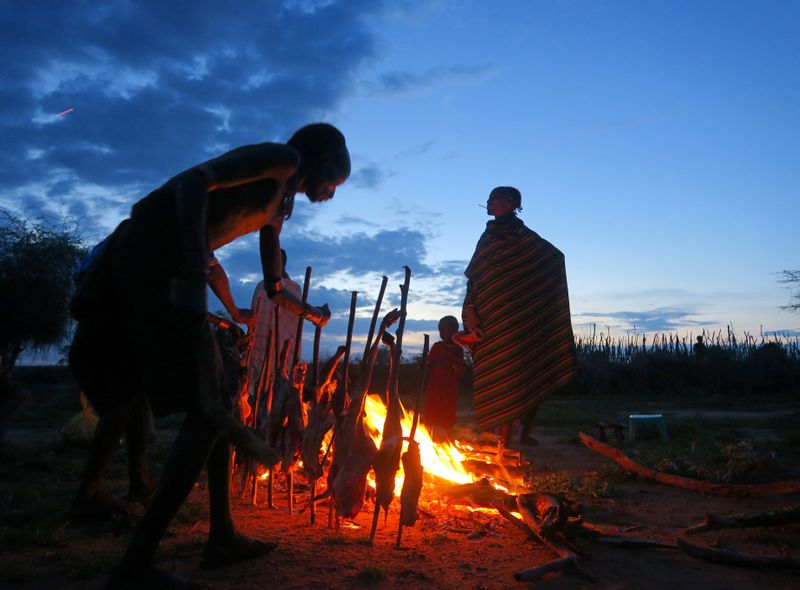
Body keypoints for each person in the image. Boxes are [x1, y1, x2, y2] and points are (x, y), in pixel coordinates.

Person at [69, 123, 350, 588]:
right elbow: (194, 181)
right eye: (336, 181)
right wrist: (192, 263)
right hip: (148, 261)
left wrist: (311, 313)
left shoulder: (278, 210)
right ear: (326, 160)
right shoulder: (283, 158)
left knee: (219, 399)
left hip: (164, 267)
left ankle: (221, 537)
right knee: (211, 407)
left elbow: (275, 286)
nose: (333, 192)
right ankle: (136, 566)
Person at [69, 256, 250, 520]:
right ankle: (90, 492)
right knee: (128, 393)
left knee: (135, 391)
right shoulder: (175, 229)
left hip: (109, 304)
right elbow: (210, 273)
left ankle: (139, 483)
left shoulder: (144, 236)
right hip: (117, 308)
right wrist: (231, 314)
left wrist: (224, 320)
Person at [462, 186, 576, 446]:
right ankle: (499, 440)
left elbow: (554, 258)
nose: (489, 202)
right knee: (495, 374)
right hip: (491, 317)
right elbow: (477, 277)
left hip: (517, 321)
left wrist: (529, 299)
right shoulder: (488, 237)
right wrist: (471, 310)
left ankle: (516, 436)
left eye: (494, 198)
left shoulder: (525, 237)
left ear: (511, 202)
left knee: (520, 375)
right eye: (488, 198)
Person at [241, 249, 301, 423]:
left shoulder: (294, 289)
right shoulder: (261, 287)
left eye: (277, 261)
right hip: (261, 347)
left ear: (283, 263)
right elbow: (256, 316)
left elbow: (293, 325)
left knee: (276, 397)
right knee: (255, 397)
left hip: (282, 349)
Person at [423, 316, 466, 440]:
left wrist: (454, 367)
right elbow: (429, 363)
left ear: (454, 331)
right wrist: (440, 363)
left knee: (446, 415)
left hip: (449, 389)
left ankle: (445, 440)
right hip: (435, 388)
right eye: (440, 330)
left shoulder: (458, 349)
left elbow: (461, 367)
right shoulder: (437, 347)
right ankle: (430, 438)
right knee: (432, 413)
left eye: (444, 330)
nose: (442, 333)